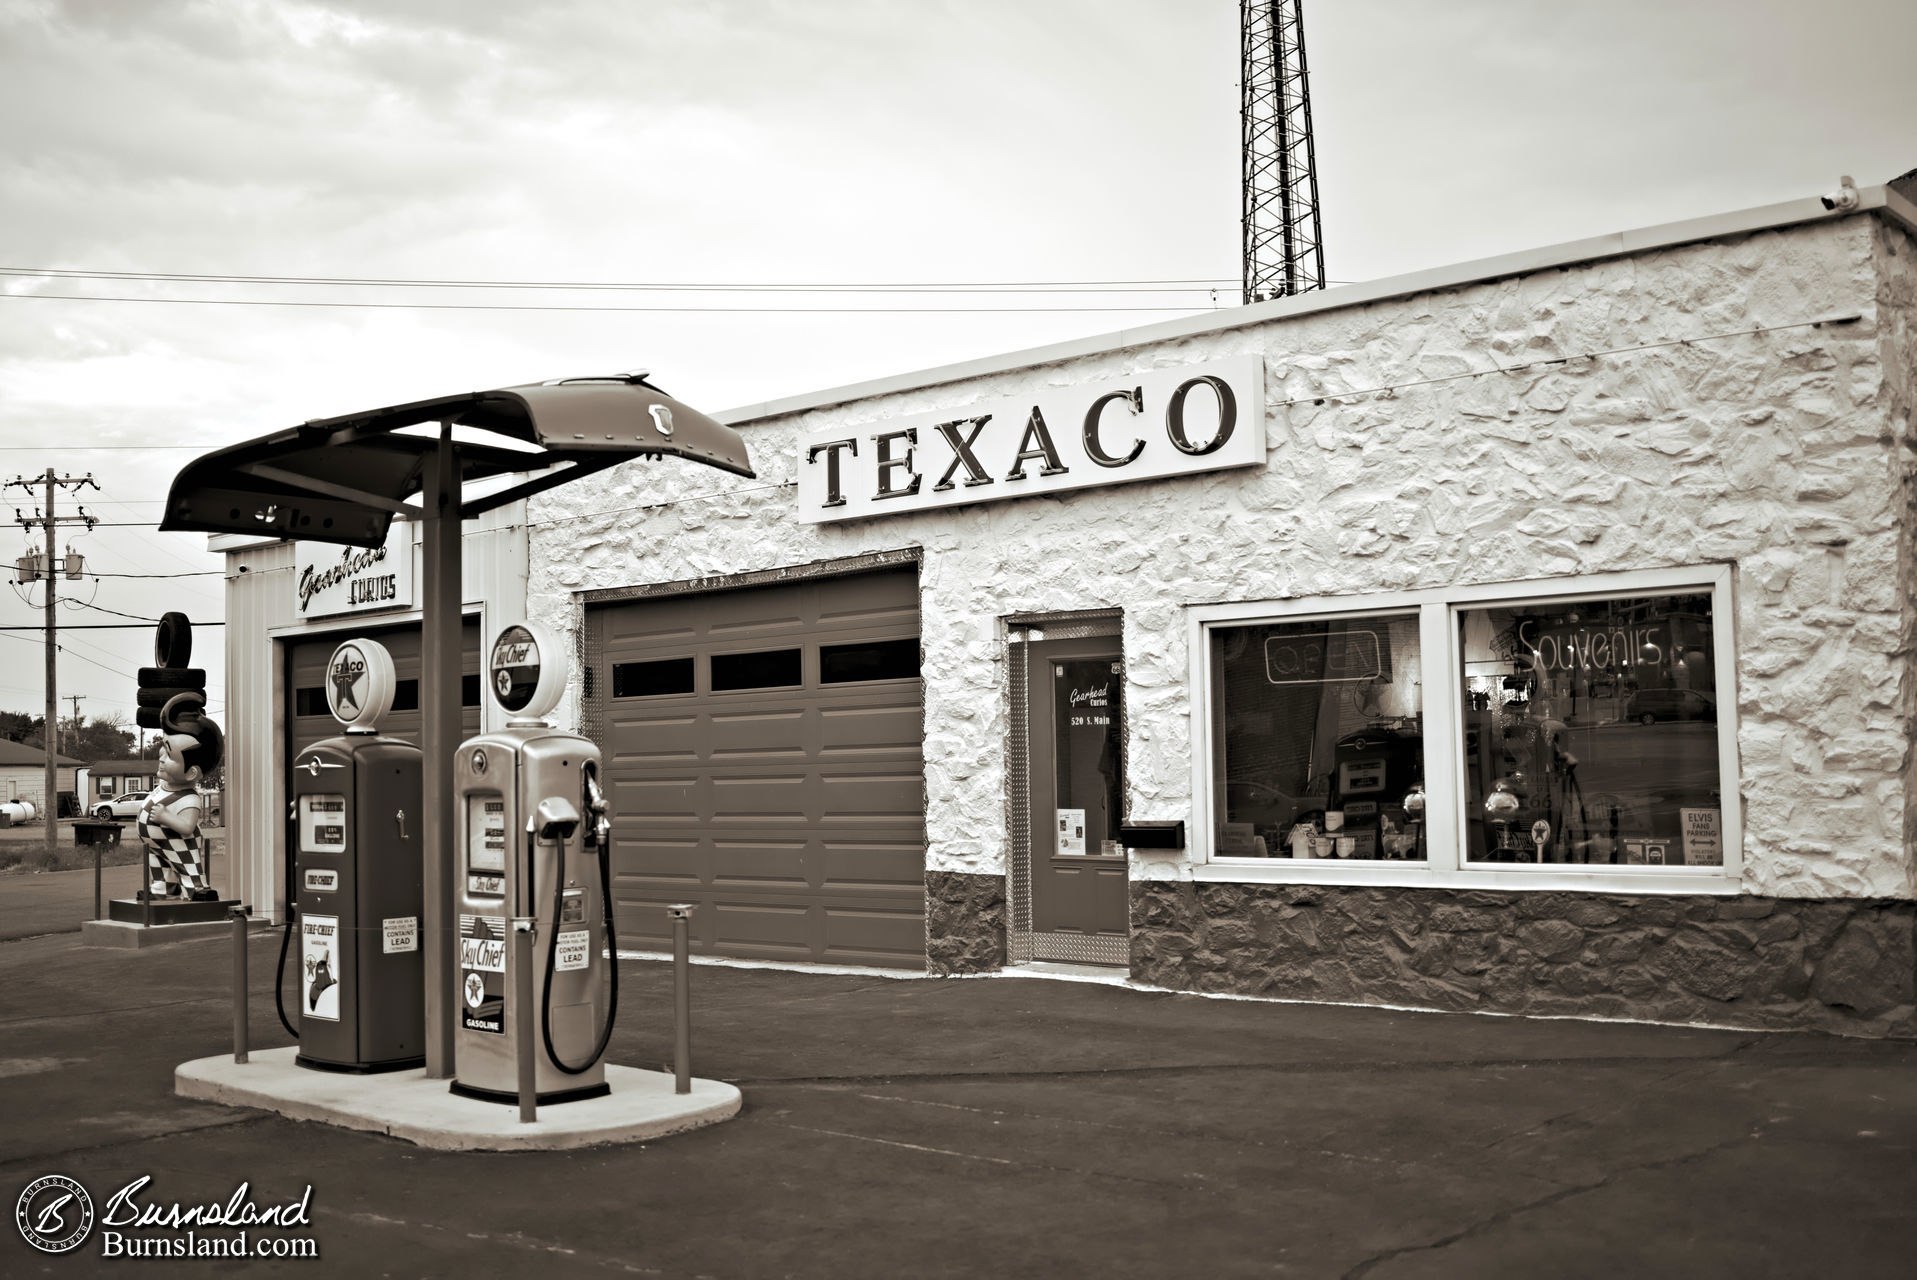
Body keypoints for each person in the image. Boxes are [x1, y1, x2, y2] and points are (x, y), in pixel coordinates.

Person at [140, 714, 224, 904]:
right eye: (163, 749)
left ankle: (197, 890)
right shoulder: (162, 785)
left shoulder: (189, 799)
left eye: (169, 756)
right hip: (157, 844)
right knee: (159, 866)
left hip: (178, 842)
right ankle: (163, 888)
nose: (161, 758)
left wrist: (166, 816)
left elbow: (187, 826)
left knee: (186, 866)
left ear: (191, 772)